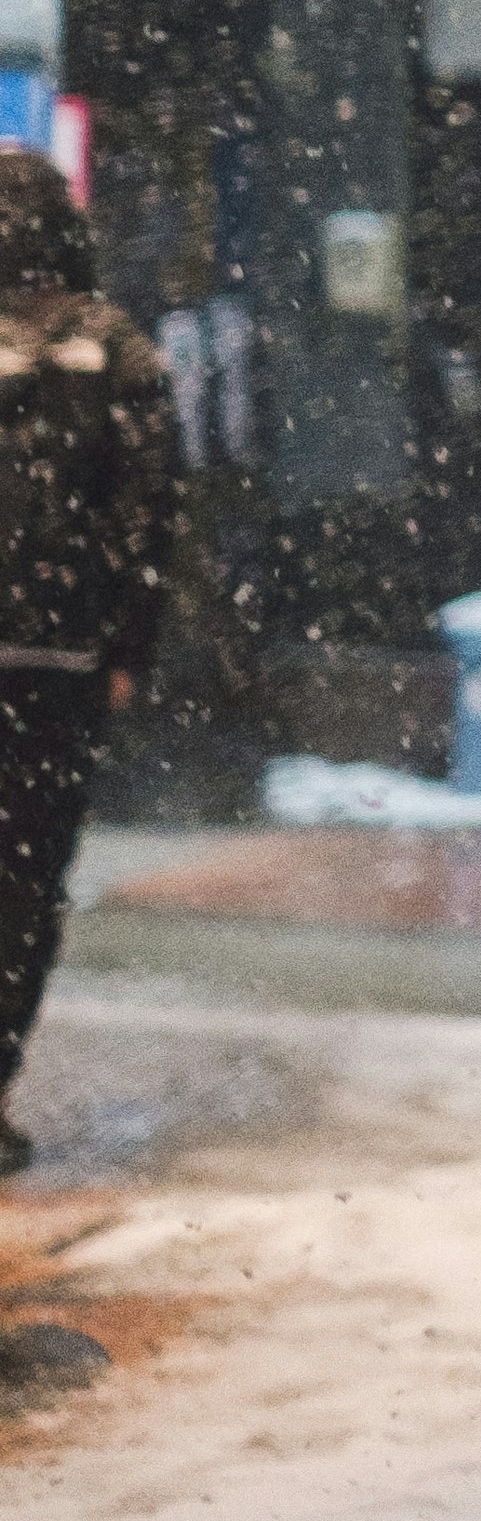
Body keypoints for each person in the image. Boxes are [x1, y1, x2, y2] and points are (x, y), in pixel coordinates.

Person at [0, 151, 186, 1177]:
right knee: (26, 880)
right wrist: (127, 644)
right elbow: (150, 509)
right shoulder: (117, 352)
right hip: (60, 660)